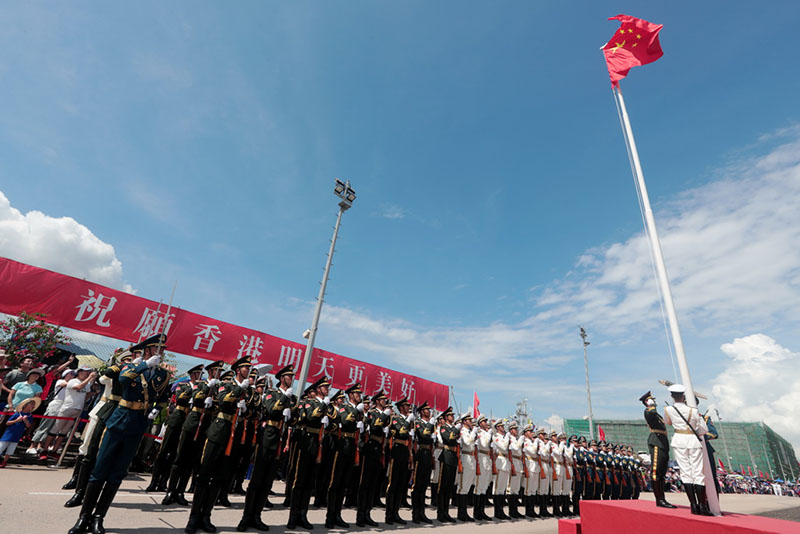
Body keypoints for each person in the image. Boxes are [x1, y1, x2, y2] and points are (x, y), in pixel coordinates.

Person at [68, 334, 171, 534]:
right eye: (158, 350)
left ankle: (99, 517)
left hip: (138, 425)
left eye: (163, 350)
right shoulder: (131, 366)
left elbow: (164, 396)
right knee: (100, 470)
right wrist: (144, 365)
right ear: (147, 351)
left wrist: (156, 409)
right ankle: (84, 517)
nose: (161, 353)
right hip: (119, 422)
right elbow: (123, 379)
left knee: (116, 474)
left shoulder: (162, 374)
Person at [185, 358, 251, 534]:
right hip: (218, 432)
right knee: (205, 475)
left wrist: (245, 409)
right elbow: (223, 401)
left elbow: (251, 411)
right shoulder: (227, 384)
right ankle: (194, 517)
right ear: (238, 369)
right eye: (246, 367)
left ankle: (206, 515)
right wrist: (240, 389)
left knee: (219, 477)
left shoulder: (247, 389)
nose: (249, 370)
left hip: (233, 434)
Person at [64, 351, 133, 507]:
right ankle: (79, 487)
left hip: (122, 413)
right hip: (104, 409)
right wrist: (118, 364)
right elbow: (103, 378)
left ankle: (89, 490)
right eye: (128, 359)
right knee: (88, 447)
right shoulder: (116, 371)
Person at [162, 359, 224, 507]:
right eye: (217, 371)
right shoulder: (200, 384)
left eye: (220, 371)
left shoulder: (218, 388)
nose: (219, 374)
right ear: (210, 372)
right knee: (180, 458)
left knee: (191, 461)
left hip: (206, 425)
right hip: (192, 423)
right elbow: (195, 396)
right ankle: (170, 490)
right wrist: (206, 390)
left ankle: (181, 491)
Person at [145, 364, 203, 493]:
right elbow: (180, 398)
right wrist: (194, 390)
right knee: (163, 451)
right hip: (175, 420)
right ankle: (154, 482)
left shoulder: (201, 389)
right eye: (198, 374)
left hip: (187, 422)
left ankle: (164, 482)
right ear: (192, 375)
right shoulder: (183, 385)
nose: (200, 376)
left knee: (175, 454)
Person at [287, 376, 329, 530]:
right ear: (318, 389)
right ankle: (293, 515)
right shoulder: (307, 403)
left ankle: (303, 515)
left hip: (316, 443)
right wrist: (322, 408)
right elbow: (310, 416)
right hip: (306, 442)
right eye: (325, 387)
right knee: (300, 481)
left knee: (310, 482)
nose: (328, 389)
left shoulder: (326, 405)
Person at [664, 383, 711, 516]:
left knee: (685, 472)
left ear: (672, 396)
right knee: (698, 473)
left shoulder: (668, 410)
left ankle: (693, 505)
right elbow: (704, 429)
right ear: (683, 396)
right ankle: (702, 506)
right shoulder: (693, 411)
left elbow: (668, 422)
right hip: (692, 440)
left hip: (679, 440)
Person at [323, 383, 362, 529]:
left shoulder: (358, 410)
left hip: (351, 445)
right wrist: (355, 413)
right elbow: (345, 420)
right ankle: (330, 516)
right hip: (342, 445)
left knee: (344, 484)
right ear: (351, 395)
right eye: (357, 393)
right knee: (335, 482)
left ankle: (338, 515)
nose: (360, 396)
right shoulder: (345, 407)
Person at [45, 366, 96, 460]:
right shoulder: (73, 381)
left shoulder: (87, 384)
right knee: (56, 428)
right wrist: (89, 378)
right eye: (86, 372)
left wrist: (86, 398)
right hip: (67, 407)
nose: (87, 373)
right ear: (80, 372)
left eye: (89, 372)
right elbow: (78, 387)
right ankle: (44, 449)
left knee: (64, 431)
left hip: (78, 409)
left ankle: (54, 451)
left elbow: (87, 392)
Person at [356, 390, 390, 527]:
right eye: (383, 400)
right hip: (369, 448)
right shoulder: (372, 413)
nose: (385, 402)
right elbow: (375, 426)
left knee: (372, 484)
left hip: (378, 448)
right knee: (365, 483)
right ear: (377, 401)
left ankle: (367, 513)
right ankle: (360, 515)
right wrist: (384, 418)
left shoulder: (383, 415)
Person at [640, 390, 675, 508]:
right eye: (652, 399)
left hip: (662, 441)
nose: (654, 401)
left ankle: (662, 499)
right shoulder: (648, 411)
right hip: (656, 441)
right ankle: (659, 499)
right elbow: (652, 412)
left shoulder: (656, 414)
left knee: (661, 471)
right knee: (656, 472)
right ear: (647, 401)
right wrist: (651, 405)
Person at [28, 368, 75, 454]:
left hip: (65, 406)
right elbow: (69, 385)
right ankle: (33, 445)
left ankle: (42, 445)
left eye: (73, 373)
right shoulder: (60, 381)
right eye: (70, 373)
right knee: (45, 425)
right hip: (55, 405)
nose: (72, 375)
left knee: (53, 427)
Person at [410, 401, 436, 524]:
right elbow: (423, 436)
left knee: (424, 485)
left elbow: (432, 442)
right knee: (417, 485)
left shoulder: (431, 425)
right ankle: (415, 513)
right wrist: (430, 428)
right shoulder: (418, 423)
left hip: (427, 455)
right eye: (426, 409)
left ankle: (422, 512)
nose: (429, 411)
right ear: (421, 412)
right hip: (420, 454)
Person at [0, 396, 40, 467]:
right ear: (25, 405)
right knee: (1, 446)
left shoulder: (30, 416)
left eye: (33, 405)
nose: (33, 406)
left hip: (17, 435)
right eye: (31, 404)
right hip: (9, 434)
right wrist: (16, 420)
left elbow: (28, 426)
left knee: (10, 449)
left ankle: (4, 461)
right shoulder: (17, 414)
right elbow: (7, 423)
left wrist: (26, 421)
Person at [454, 412, 477, 522]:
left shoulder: (469, 431)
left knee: (467, 487)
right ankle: (461, 513)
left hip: (471, 459)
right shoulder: (463, 431)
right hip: (465, 458)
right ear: (464, 421)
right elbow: (467, 442)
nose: (471, 422)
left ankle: (465, 512)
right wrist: (473, 432)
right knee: (463, 487)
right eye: (469, 420)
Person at [473, 414, 494, 521]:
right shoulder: (479, 432)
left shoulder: (487, 433)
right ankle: (476, 512)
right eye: (484, 421)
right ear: (480, 423)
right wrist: (489, 434)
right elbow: (485, 443)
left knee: (484, 487)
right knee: (479, 486)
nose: (486, 423)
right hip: (481, 458)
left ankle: (482, 511)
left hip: (487, 459)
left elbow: (491, 447)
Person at [491, 419, 511, 520]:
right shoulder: (496, 437)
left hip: (505, 462)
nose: (503, 428)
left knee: (502, 488)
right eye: (502, 426)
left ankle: (501, 510)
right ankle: (497, 511)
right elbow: (503, 448)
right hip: (499, 462)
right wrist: (507, 438)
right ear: (498, 427)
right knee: (497, 488)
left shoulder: (504, 438)